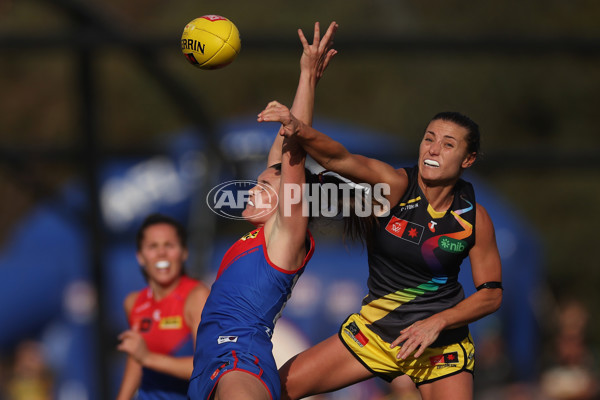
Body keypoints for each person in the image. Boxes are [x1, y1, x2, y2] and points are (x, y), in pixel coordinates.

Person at [262, 102, 503, 399]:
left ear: (469, 159)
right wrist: (298, 128)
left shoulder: (474, 217)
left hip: (440, 346)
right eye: (429, 138)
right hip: (375, 333)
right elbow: (339, 158)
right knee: (273, 390)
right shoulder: (395, 184)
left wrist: (438, 321)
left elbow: (491, 294)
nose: (433, 149)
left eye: (448, 144)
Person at [186, 21, 339, 400]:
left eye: (263, 186)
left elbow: (292, 158)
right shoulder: (260, 235)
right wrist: (307, 76)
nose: (251, 191)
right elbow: (283, 153)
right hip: (210, 363)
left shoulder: (285, 235)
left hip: (241, 359)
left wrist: (295, 127)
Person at [115, 213, 210, 400]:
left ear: (184, 252)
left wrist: (148, 358)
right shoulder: (134, 302)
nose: (161, 253)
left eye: (169, 245)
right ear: (140, 257)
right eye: (153, 246)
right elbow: (136, 359)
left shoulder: (197, 296)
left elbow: (208, 367)